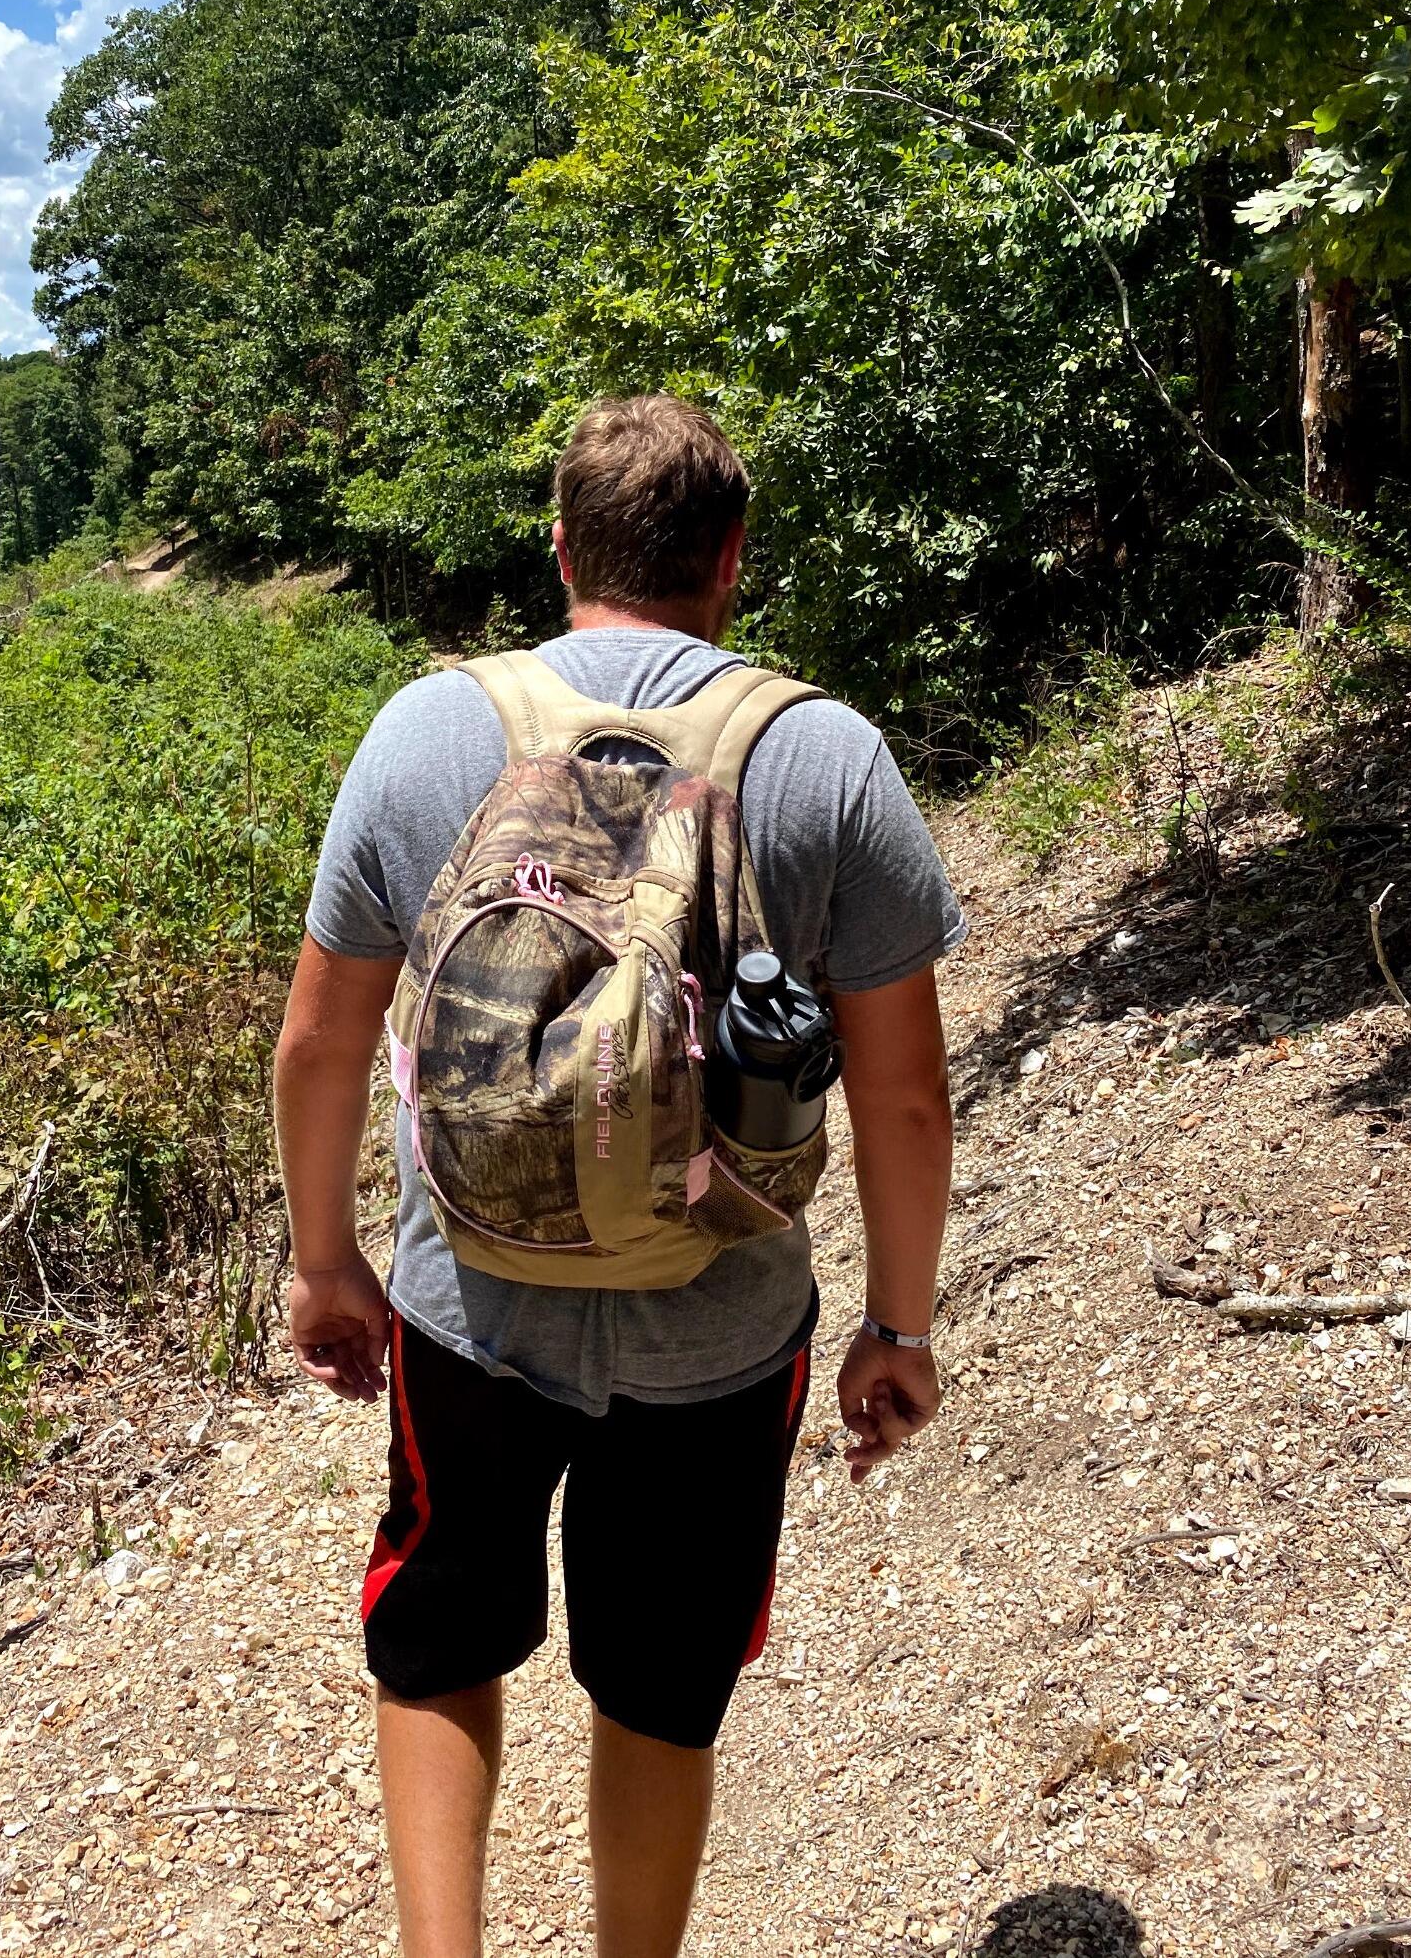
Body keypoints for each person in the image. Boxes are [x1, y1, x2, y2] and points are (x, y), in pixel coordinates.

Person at [273, 394, 965, 1958]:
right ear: (732, 559)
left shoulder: (428, 731)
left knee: (440, 1635)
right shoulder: (827, 756)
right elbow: (907, 1099)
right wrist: (899, 1328)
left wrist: (327, 1264)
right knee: (662, 1678)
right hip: (720, 1327)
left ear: (564, 548)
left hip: (470, 1305)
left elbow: (321, 1044)